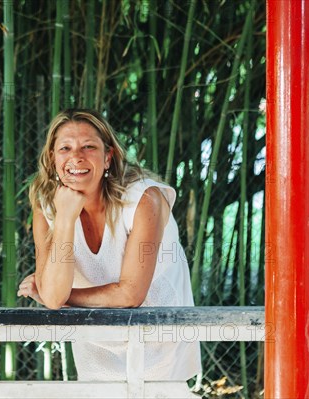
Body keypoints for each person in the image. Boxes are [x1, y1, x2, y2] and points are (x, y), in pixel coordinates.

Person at [17, 109, 201, 383]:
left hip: (157, 336)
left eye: (89, 147)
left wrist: (60, 295)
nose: (76, 156)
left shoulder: (143, 198)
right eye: (64, 148)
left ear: (107, 157)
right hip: (96, 340)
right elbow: (53, 297)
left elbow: (130, 294)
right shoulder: (47, 205)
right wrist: (66, 218)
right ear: (52, 159)